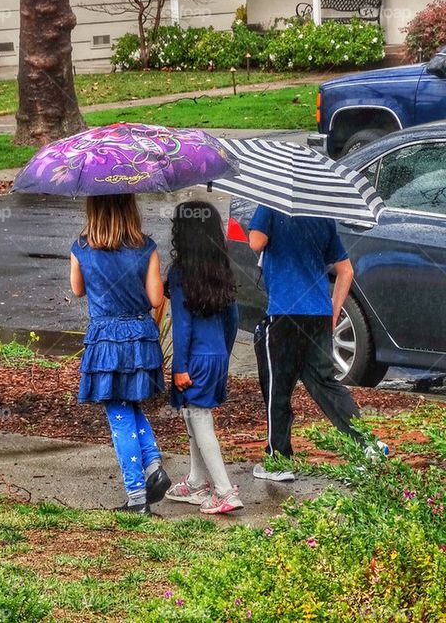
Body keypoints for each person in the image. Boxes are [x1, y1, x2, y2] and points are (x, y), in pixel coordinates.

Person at [248, 206, 384, 481]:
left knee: (278, 385)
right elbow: (346, 270)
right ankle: (366, 444)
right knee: (324, 381)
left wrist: (263, 223)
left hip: (285, 311)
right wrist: (334, 311)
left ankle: (278, 459)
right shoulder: (322, 213)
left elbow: (256, 242)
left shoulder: (271, 206)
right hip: (318, 311)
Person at [69, 194, 171, 514]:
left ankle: (137, 495)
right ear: (131, 208)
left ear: (92, 209)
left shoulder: (82, 247)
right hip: (140, 337)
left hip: (106, 340)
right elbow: (157, 298)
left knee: (119, 413)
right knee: (130, 404)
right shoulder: (147, 247)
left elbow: (77, 289)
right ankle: (153, 465)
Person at [164, 201, 243, 514]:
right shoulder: (220, 269)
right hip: (217, 355)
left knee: (200, 420)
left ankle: (224, 490)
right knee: (191, 415)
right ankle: (197, 481)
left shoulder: (181, 273)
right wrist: (222, 354)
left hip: (193, 357)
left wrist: (180, 366)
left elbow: (182, 327)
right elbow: (233, 318)